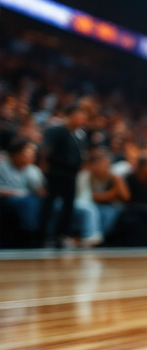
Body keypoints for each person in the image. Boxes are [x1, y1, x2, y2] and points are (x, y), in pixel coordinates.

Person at [37, 105, 88, 247]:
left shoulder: (79, 135)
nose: (82, 119)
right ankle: (41, 236)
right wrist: (44, 166)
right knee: (49, 203)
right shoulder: (56, 130)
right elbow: (46, 149)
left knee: (68, 206)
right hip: (55, 172)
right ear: (70, 115)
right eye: (80, 115)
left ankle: (62, 236)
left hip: (71, 175)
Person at [0, 137, 46, 247]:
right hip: (7, 199)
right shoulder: (2, 167)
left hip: (30, 200)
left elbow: (42, 191)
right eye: (28, 153)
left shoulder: (33, 170)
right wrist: (14, 193)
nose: (32, 156)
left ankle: (41, 237)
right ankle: (30, 235)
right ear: (16, 154)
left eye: (33, 153)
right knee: (27, 202)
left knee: (47, 204)